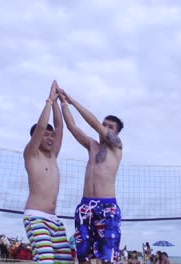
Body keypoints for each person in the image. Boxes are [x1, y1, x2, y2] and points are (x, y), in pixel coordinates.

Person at [59, 88, 124, 264]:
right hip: (85, 206)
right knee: (83, 255)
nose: (104, 128)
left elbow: (95, 123)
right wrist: (64, 103)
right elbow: (73, 127)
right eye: (105, 124)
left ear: (116, 133)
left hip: (107, 206)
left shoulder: (116, 146)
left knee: (108, 257)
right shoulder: (92, 146)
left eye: (109, 126)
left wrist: (72, 100)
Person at [22, 80, 72, 264]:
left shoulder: (53, 155)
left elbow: (60, 127)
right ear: (36, 138)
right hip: (36, 217)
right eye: (46, 135)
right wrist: (50, 100)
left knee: (64, 261)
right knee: (46, 261)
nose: (50, 137)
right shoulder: (31, 154)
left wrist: (58, 101)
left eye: (52, 136)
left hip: (54, 220)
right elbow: (41, 127)